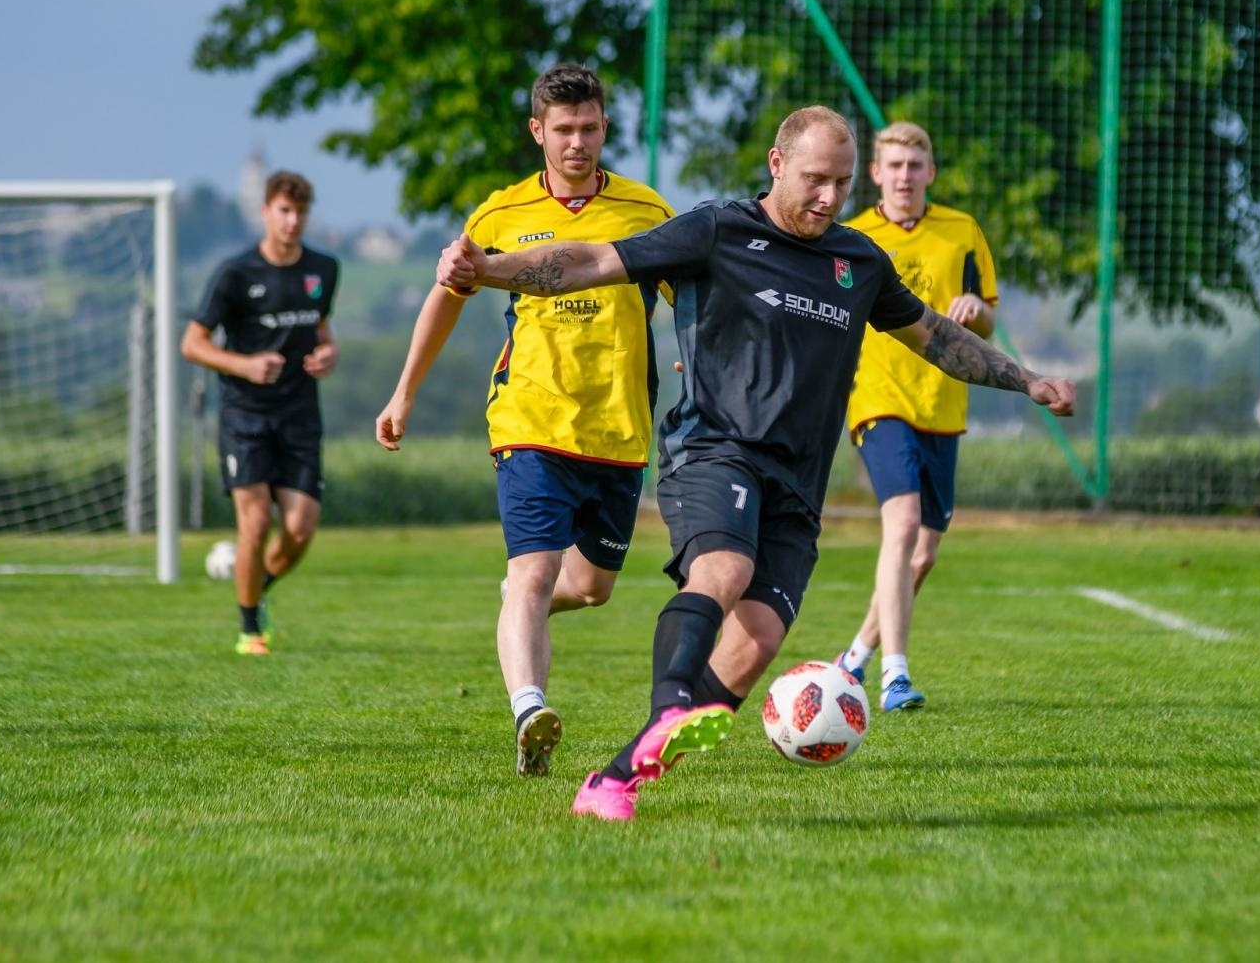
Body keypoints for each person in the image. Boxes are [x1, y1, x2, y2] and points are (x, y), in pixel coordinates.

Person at [432, 104, 1076, 822]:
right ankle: (670, 698)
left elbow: (932, 337)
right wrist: (489, 269)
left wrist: (1026, 381)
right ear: (776, 165)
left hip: (799, 484)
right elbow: (590, 259)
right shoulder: (718, 230)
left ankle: (613, 781)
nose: (829, 197)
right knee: (725, 571)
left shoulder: (859, 261)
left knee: (757, 642)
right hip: (715, 450)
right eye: (813, 179)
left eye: (841, 181)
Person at [375, 63, 673, 777]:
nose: (578, 143)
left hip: (618, 426)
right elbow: (448, 294)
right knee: (535, 571)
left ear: (605, 127)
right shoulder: (499, 215)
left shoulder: (648, 214)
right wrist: (403, 391)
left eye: (590, 128)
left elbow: (689, 302)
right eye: (564, 130)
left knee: (590, 588)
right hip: (529, 418)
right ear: (537, 131)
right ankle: (529, 708)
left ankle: (519, 610)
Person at [832, 121, 998, 712]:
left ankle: (852, 659)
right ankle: (895, 675)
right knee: (901, 527)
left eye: (915, 166)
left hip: (944, 404)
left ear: (930, 171)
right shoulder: (851, 237)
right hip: (879, 398)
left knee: (923, 553)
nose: (904, 176)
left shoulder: (963, 233)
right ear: (875, 173)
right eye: (893, 166)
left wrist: (976, 310)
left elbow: (986, 326)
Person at [181, 171, 339, 656]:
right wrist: (244, 364)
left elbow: (322, 331)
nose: (292, 221)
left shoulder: (323, 268)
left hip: (299, 415)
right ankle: (251, 630)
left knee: (299, 530)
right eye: (283, 211)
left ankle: (257, 586)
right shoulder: (235, 274)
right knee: (254, 525)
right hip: (244, 415)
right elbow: (192, 344)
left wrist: (328, 353)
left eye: (300, 212)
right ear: (265, 212)